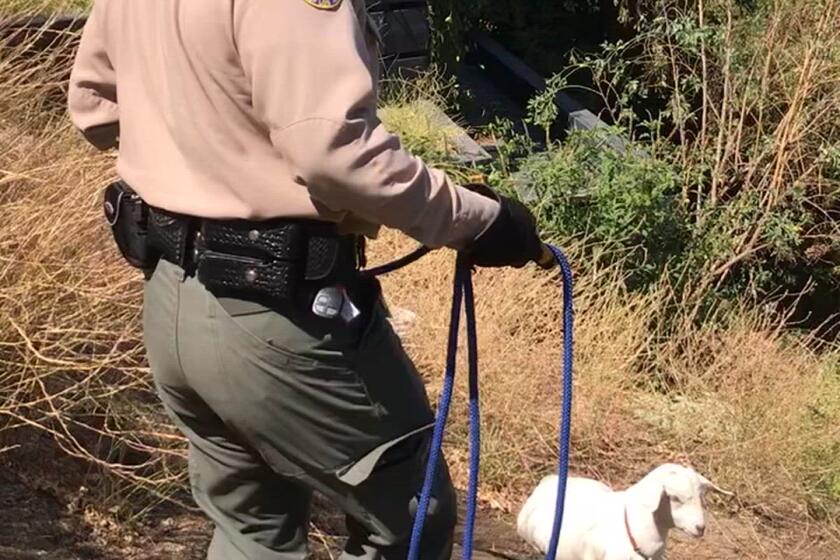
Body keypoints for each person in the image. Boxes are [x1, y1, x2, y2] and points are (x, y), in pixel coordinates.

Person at [68, 1, 544, 559]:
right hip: (276, 316)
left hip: (172, 298)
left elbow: (93, 105)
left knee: (252, 533)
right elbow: (336, 154)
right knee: (412, 513)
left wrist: (197, 152)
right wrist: (481, 221)